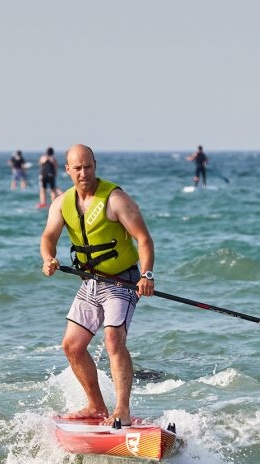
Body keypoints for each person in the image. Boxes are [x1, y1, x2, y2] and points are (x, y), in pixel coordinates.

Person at [40, 144, 156, 426]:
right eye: (77, 168)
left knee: (113, 340)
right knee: (72, 346)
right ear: (67, 170)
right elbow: (48, 237)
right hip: (91, 284)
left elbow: (143, 239)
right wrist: (48, 259)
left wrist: (147, 275)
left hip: (122, 281)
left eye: (88, 167)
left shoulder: (115, 199)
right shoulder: (62, 203)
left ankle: (122, 410)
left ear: (95, 166)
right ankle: (96, 406)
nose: (83, 173)